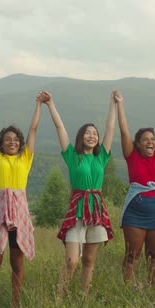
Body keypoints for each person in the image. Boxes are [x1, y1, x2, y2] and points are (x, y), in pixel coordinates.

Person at [42, 90, 116, 297]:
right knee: (71, 260)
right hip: (77, 210)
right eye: (88, 133)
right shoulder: (73, 157)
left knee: (89, 260)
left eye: (95, 134)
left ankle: (84, 298)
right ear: (81, 137)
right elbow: (60, 127)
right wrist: (50, 104)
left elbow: (111, 128)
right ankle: (59, 297)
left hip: (97, 211)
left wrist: (114, 103)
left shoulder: (102, 157)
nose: (92, 136)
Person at [0, 86, 39, 308]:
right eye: (8, 140)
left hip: (20, 214)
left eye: (16, 140)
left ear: (20, 144)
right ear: (1, 144)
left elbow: (33, 129)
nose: (12, 142)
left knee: (17, 264)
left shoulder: (26, 158)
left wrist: (39, 105)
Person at [115, 88, 155, 284]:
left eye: (152, 140)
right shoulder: (131, 155)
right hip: (135, 211)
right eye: (146, 140)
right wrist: (120, 103)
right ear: (138, 144)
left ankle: (152, 291)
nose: (150, 142)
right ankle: (128, 292)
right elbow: (124, 130)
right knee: (132, 256)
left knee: (154, 256)